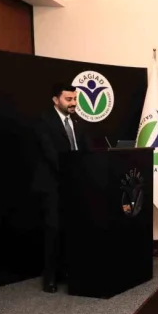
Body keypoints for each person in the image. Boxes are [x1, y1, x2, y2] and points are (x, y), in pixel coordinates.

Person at [31, 83, 92, 293]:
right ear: (56, 100)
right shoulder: (43, 121)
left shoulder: (78, 121)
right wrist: (71, 173)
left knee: (74, 229)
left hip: (76, 184)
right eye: (68, 99)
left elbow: (86, 150)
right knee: (54, 230)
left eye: (75, 99)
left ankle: (71, 271)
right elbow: (50, 154)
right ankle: (50, 277)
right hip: (52, 184)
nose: (73, 103)